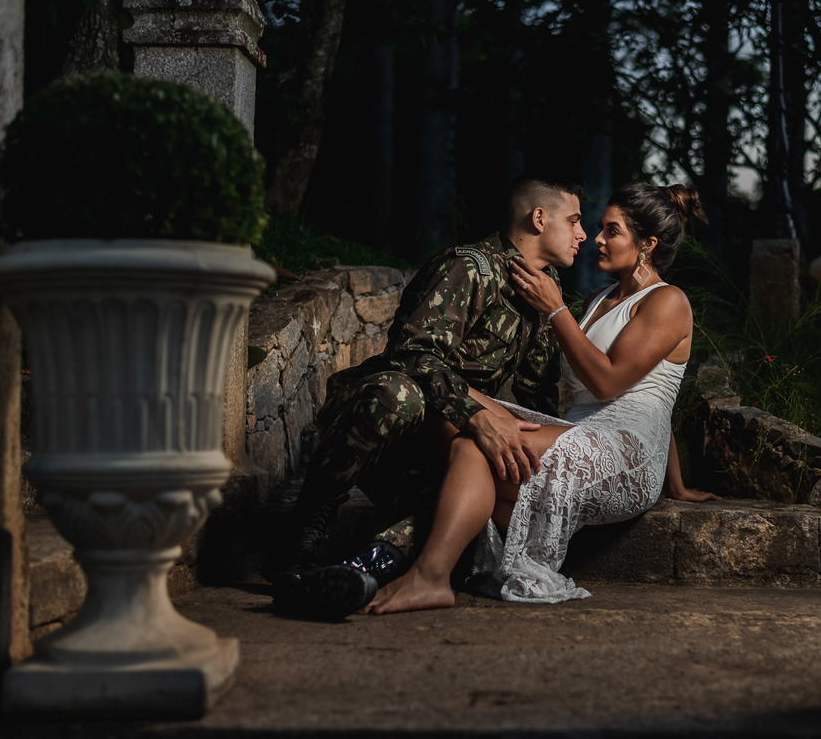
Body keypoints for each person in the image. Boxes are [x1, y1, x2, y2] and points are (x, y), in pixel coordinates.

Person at [362, 181, 718, 615]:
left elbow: (623, 391)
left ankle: (429, 576)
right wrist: (679, 487)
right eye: (597, 228)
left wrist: (555, 310)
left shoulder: (669, 302)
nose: (596, 239)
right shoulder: (597, 300)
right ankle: (427, 556)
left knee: (477, 446)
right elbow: (659, 398)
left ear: (647, 244)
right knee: (457, 410)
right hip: (582, 433)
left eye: (612, 231)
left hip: (626, 452)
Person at [271, 175, 587, 619]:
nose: (582, 234)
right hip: (381, 419)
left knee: (464, 503)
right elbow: (411, 353)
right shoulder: (470, 267)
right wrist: (476, 415)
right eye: (573, 221)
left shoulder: (542, 287)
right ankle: (302, 538)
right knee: (401, 394)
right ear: (539, 218)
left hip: (439, 443)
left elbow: (537, 395)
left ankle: (353, 575)